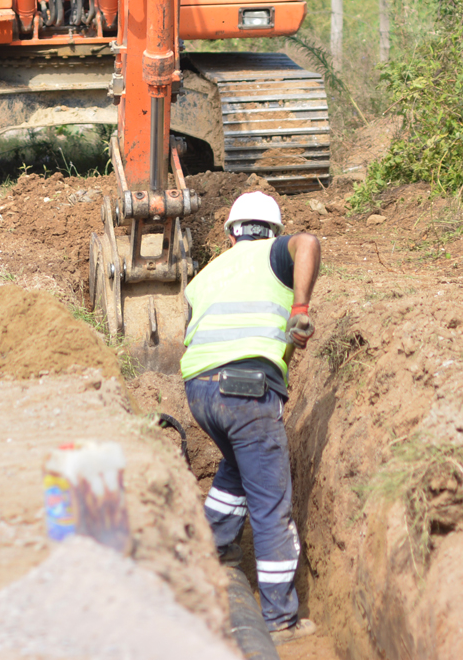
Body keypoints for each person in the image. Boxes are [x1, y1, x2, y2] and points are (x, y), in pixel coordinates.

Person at [180, 190, 320, 645]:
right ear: (271, 231)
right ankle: (280, 620)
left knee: (237, 466)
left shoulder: (208, 273)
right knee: (271, 503)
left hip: (200, 393)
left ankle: (215, 547)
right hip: (244, 391)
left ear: (231, 234)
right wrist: (300, 308)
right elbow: (310, 244)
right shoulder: (274, 253)